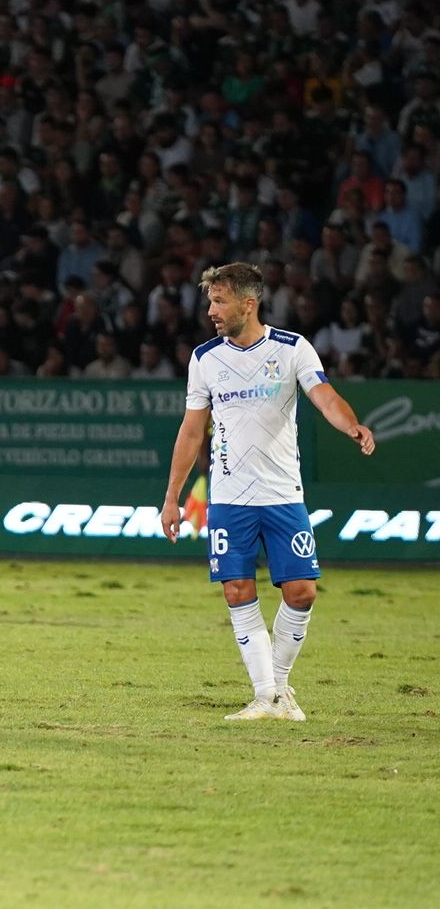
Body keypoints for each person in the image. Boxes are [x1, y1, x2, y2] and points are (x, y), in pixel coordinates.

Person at [160, 262, 376, 722]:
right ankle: (266, 696)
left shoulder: (293, 348)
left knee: (302, 592)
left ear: (248, 303)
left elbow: (323, 395)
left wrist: (350, 424)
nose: (211, 311)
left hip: (282, 494)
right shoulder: (205, 358)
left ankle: (278, 687)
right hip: (230, 496)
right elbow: (192, 431)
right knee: (238, 590)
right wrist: (172, 498)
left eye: (219, 301)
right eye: (210, 301)